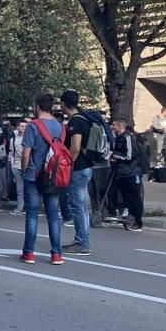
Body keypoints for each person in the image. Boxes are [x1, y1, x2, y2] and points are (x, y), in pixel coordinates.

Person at [19, 94, 64, 265]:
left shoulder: (33, 126)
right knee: (53, 215)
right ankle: (56, 254)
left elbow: (25, 153)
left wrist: (24, 170)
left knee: (32, 214)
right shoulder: (61, 127)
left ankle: (29, 253)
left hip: (34, 174)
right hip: (53, 175)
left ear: (37, 106)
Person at [59, 90, 94, 256]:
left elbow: (75, 147)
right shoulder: (85, 118)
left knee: (77, 206)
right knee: (81, 206)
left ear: (64, 104)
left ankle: (82, 242)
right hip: (86, 166)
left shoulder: (75, 122)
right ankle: (82, 240)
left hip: (78, 168)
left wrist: (67, 164)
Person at [110, 120, 144, 231]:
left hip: (131, 172)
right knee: (126, 198)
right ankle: (129, 218)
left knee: (135, 197)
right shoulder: (117, 138)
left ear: (120, 126)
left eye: (114, 126)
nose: (113, 127)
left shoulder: (128, 138)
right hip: (121, 173)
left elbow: (129, 156)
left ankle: (138, 222)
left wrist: (115, 155)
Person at [8, 121, 27, 215]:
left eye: (25, 126)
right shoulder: (13, 139)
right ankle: (20, 207)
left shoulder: (28, 138)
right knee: (19, 188)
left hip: (27, 166)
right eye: (21, 126)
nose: (23, 128)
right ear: (17, 127)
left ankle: (26, 207)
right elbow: (12, 153)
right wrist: (12, 165)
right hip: (16, 165)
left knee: (28, 188)